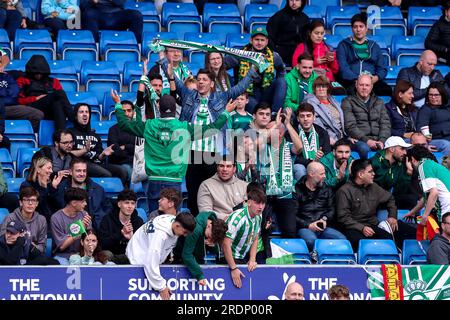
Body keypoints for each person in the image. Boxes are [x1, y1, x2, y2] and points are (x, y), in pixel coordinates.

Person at [114, 92, 239, 215]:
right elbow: (211, 128)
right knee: (174, 225)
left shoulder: (149, 126)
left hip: (154, 181)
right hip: (174, 181)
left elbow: (124, 124)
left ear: (159, 107)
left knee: (154, 221)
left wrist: (118, 106)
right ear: (175, 109)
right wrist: (226, 112)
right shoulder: (184, 127)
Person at [243, 104, 302, 238]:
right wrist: (274, 126)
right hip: (264, 194)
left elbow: (299, 148)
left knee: (290, 231)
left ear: (280, 133)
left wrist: (287, 124)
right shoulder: (262, 146)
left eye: (270, 130)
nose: (266, 133)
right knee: (261, 229)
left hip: (286, 194)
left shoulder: (288, 146)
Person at [336, 159, 416, 250]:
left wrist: (392, 216)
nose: (373, 174)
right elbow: (343, 218)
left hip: (372, 225)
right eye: (370, 172)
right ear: (361, 175)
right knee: (362, 244)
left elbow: (390, 198)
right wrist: (362, 228)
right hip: (353, 227)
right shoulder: (344, 191)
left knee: (388, 239)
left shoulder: (374, 187)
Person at [126, 212, 196, 300]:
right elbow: (150, 262)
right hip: (137, 257)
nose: (185, 235)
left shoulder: (173, 221)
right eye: (185, 232)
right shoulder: (159, 236)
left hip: (145, 251)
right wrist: (161, 287)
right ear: (177, 225)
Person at [225, 27, 286, 113]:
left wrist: (280, 78)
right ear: (251, 40)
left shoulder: (273, 56)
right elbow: (221, 66)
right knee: (258, 110)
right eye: (256, 39)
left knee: (282, 81)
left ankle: (275, 114)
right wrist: (231, 85)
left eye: (262, 40)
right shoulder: (240, 54)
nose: (259, 43)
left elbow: (281, 70)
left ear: (267, 42)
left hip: (265, 91)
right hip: (247, 93)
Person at [69, 103, 126, 183]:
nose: (85, 114)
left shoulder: (95, 135)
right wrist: (84, 150)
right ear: (75, 116)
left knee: (122, 171)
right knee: (106, 174)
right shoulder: (70, 133)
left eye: (87, 112)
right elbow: (67, 153)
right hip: (79, 164)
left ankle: (122, 193)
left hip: (95, 164)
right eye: (81, 112)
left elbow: (98, 158)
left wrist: (103, 154)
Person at [336, 13, 392, 96]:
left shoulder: (374, 46)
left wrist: (376, 78)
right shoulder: (344, 45)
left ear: (366, 28)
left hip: (371, 81)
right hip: (351, 81)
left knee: (386, 90)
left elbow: (382, 68)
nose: (358, 30)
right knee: (350, 91)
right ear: (352, 29)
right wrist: (359, 79)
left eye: (361, 26)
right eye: (355, 27)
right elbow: (343, 68)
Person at [295, 162, 346, 251]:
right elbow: (292, 215)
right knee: (311, 241)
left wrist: (324, 219)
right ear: (311, 174)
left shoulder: (327, 189)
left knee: (342, 240)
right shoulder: (297, 189)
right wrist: (308, 225)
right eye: (321, 174)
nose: (325, 176)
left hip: (323, 226)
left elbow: (331, 209)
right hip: (305, 227)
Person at [16, 55, 74, 131]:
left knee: (58, 104)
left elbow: (61, 100)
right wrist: (36, 98)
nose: (38, 75)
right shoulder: (22, 80)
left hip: (50, 110)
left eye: (41, 73)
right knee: (59, 93)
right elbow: (18, 101)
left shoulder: (53, 81)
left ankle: (60, 134)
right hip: (32, 107)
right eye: (36, 73)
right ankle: (74, 119)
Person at [222, 187, 266, 289]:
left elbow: (255, 238)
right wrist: (233, 268)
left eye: (263, 203)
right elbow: (225, 243)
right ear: (249, 202)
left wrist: (252, 259)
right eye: (257, 203)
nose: (260, 207)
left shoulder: (259, 216)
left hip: (242, 257)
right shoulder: (238, 218)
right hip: (227, 258)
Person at [342, 73, 391, 159]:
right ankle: (365, 171)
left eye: (367, 85)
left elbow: (385, 124)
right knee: (364, 148)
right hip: (360, 140)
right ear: (356, 85)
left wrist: (382, 141)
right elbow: (350, 126)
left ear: (371, 87)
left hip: (379, 140)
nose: (364, 88)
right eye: (361, 85)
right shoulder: (348, 101)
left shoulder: (379, 102)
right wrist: (367, 141)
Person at [55, 157, 113, 231]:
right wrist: (53, 188)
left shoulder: (98, 189)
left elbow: (107, 209)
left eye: (84, 171)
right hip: (70, 231)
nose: (82, 174)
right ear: (70, 172)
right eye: (78, 171)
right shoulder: (62, 189)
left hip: (95, 231)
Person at [370, 136, 418, 210]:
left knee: (413, 199)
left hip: (389, 198)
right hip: (374, 200)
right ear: (392, 149)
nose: (405, 152)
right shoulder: (374, 162)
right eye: (402, 149)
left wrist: (408, 173)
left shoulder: (399, 163)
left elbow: (400, 190)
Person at [406, 145, 450, 224]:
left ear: (412, 159)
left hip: (446, 209)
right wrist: (413, 212)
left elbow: (434, 192)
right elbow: (426, 197)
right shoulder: (433, 165)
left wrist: (425, 216)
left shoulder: (423, 165)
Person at [182, 211, 228, 285]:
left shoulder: (213, 224)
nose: (210, 239)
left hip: (198, 259)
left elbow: (216, 251)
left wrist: (214, 244)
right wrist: (199, 275)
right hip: (180, 256)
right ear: (209, 226)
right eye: (210, 236)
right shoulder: (196, 230)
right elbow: (187, 255)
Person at [51, 187, 92, 265]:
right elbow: (62, 246)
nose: (85, 204)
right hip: (62, 256)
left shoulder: (84, 214)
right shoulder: (56, 218)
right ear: (73, 203)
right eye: (83, 201)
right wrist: (80, 228)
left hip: (81, 254)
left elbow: (90, 238)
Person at [0, 186, 47, 254]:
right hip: (13, 254)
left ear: (37, 203)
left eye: (33, 200)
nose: (30, 203)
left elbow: (42, 247)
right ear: (21, 203)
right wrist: (27, 242)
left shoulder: (41, 220)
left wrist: (26, 244)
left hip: (32, 254)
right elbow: (3, 241)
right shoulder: (10, 218)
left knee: (52, 262)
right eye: (27, 200)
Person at [292, 102, 331, 181]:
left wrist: (321, 156)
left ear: (314, 117)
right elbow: (291, 157)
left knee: (324, 168)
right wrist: (310, 162)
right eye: (302, 116)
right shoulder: (292, 132)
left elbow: (328, 153)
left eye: (308, 116)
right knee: (300, 169)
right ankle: (302, 192)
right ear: (298, 118)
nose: (305, 119)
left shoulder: (322, 132)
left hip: (318, 164)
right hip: (300, 164)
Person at [98, 189, 143, 256]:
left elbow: (142, 245)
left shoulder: (138, 221)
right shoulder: (107, 219)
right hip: (112, 256)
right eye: (126, 203)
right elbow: (103, 244)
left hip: (131, 256)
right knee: (106, 254)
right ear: (119, 204)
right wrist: (120, 234)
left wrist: (132, 239)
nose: (130, 206)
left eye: (132, 203)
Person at [20, 157, 63, 225]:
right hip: (34, 223)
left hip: (51, 223)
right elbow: (35, 205)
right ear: (39, 169)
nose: (51, 171)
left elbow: (59, 205)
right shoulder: (27, 185)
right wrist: (44, 187)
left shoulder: (50, 185)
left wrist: (53, 188)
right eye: (49, 168)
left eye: (51, 168)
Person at [304, 76, 346, 145]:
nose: (321, 89)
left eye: (323, 86)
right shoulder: (310, 103)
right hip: (330, 138)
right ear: (315, 89)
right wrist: (328, 137)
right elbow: (318, 124)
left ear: (328, 88)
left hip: (343, 136)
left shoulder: (333, 100)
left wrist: (350, 136)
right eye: (318, 87)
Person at [266, 0, 309, 65]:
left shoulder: (305, 18)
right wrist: (275, 54)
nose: (294, 3)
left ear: (302, 2)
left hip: (300, 52)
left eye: (297, 0)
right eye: (291, 0)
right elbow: (269, 37)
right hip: (281, 52)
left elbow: (307, 39)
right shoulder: (278, 17)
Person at [107, 100, 136, 187]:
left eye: (129, 110)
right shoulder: (113, 130)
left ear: (133, 112)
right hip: (121, 163)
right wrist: (132, 148)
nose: (126, 114)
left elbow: (142, 148)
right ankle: (131, 197)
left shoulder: (138, 129)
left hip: (138, 163)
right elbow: (116, 152)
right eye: (123, 111)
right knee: (131, 172)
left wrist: (125, 147)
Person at [416, 82, 450, 154]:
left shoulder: (448, 107)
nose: (433, 97)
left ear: (442, 95)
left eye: (436, 95)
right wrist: (425, 144)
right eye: (430, 95)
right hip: (437, 140)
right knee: (446, 144)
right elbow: (421, 128)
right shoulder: (425, 109)